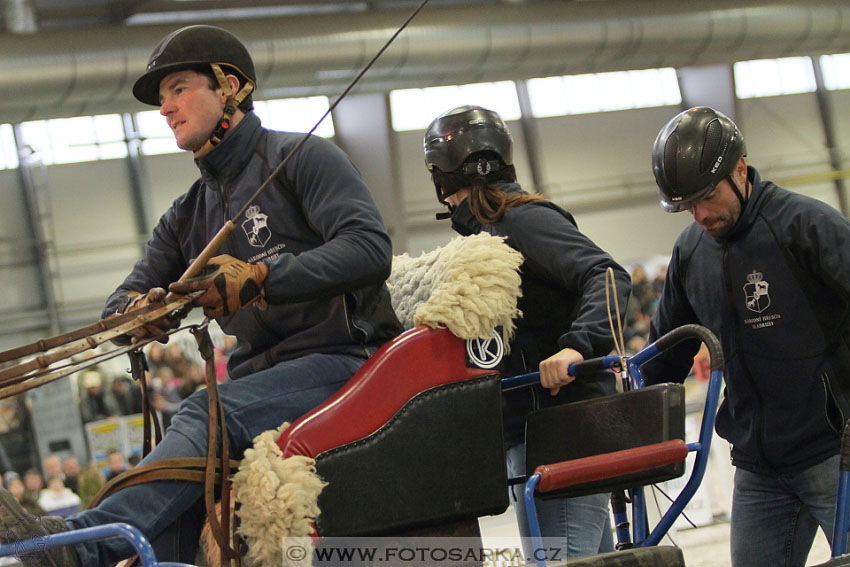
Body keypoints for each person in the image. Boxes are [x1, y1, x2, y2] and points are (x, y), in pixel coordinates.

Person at [0, 24, 401, 567]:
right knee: (184, 489)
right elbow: (123, 297)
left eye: (179, 88)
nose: (165, 107)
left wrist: (262, 277)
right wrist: (134, 315)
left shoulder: (303, 158)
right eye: (161, 97)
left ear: (229, 86)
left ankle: (83, 546)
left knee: (205, 413)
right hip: (261, 380)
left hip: (346, 365)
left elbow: (369, 247)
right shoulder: (186, 213)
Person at [642, 106, 850, 567]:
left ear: (740, 169)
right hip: (758, 469)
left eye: (708, 197)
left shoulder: (806, 227)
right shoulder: (690, 252)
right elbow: (664, 357)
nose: (699, 214)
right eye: (686, 205)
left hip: (834, 453)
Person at [423, 105, 631, 560]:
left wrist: (576, 345)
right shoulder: (487, 235)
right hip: (535, 428)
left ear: (443, 179)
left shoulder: (520, 220)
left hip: (562, 426)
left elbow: (607, 274)